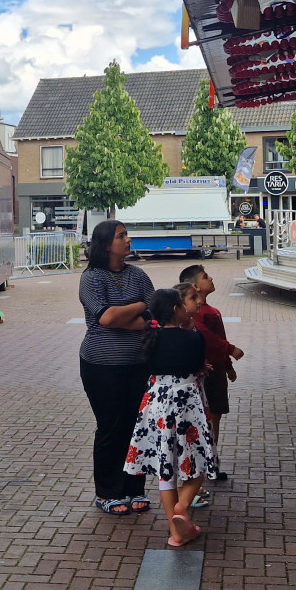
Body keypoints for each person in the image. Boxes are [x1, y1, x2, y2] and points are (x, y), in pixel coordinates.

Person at [127, 286, 218, 546]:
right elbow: (198, 365)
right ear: (177, 309)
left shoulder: (150, 338)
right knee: (199, 459)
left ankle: (177, 533)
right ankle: (183, 506)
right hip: (188, 401)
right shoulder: (193, 337)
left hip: (157, 402)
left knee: (167, 469)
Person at [79, 220, 155, 516]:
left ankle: (134, 488)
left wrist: (127, 313)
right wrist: (138, 306)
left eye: (126, 235)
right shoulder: (92, 278)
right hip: (101, 367)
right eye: (121, 236)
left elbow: (152, 317)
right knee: (111, 427)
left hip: (139, 365)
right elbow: (107, 318)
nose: (127, 240)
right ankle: (107, 492)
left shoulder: (138, 275)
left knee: (137, 427)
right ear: (105, 244)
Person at [180, 263, 244, 481]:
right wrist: (230, 350)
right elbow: (209, 338)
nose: (211, 279)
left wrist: (227, 365)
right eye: (206, 277)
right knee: (205, 420)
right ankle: (205, 464)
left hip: (215, 370)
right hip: (204, 372)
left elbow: (218, 338)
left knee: (214, 418)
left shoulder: (211, 311)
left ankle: (211, 461)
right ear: (196, 287)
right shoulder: (197, 314)